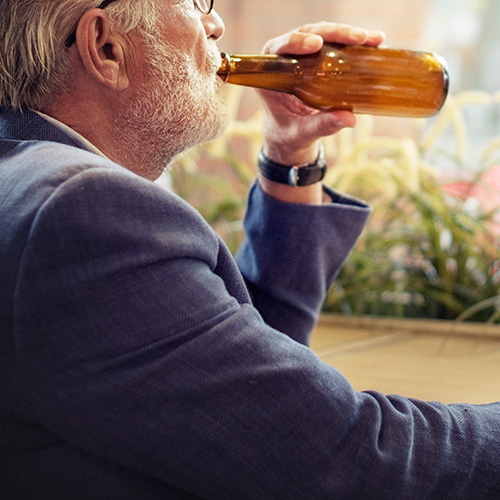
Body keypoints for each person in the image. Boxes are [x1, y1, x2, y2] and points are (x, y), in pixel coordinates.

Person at [0, 0, 499, 498]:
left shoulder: (29, 180)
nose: (215, 23)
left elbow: (241, 397)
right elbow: (345, 455)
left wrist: (290, 152)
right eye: (192, 4)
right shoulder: (82, 212)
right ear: (106, 48)